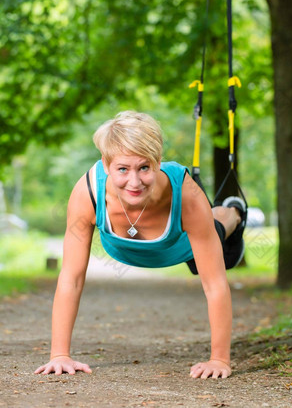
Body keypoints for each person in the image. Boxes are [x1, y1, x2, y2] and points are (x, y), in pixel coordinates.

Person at [34, 111, 247, 380]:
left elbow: (214, 284)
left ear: (158, 162)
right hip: (123, 249)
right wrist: (59, 355)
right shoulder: (87, 193)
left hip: (181, 244)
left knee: (216, 232)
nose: (134, 183)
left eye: (144, 168)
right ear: (106, 164)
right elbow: (71, 278)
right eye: (123, 169)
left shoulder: (186, 194)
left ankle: (233, 213)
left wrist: (219, 359)